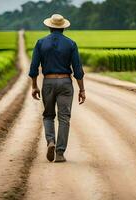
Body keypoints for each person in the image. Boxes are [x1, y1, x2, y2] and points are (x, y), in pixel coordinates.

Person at [29, 14, 86, 163]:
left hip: (48, 82)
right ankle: (60, 153)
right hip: (65, 83)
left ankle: (50, 142)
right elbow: (78, 70)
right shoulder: (71, 44)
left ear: (49, 26)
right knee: (64, 118)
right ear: (63, 28)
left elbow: (34, 68)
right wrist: (82, 90)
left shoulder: (41, 43)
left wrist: (34, 86)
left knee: (48, 115)